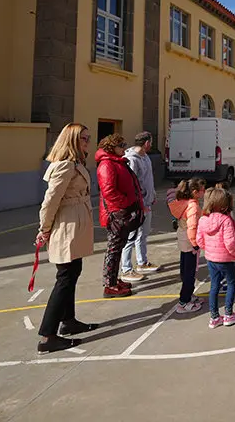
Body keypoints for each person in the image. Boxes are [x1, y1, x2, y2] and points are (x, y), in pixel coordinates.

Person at [35, 123, 98, 354]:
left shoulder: (75, 163)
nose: (87, 142)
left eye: (88, 138)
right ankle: (47, 335)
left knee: (72, 273)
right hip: (66, 226)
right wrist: (44, 229)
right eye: (83, 138)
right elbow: (50, 201)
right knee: (64, 278)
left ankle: (68, 321)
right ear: (71, 140)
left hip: (75, 224)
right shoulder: (64, 166)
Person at [95, 133, 145, 298]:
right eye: (121, 145)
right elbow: (109, 191)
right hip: (117, 214)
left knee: (118, 247)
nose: (125, 147)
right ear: (112, 147)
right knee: (114, 249)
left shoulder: (117, 162)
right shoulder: (107, 164)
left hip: (123, 212)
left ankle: (114, 280)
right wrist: (127, 204)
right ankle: (110, 285)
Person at [196, 187, 235, 328]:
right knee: (231, 283)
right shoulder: (225, 220)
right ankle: (228, 314)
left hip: (211, 258)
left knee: (214, 286)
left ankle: (214, 317)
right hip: (225, 259)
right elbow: (230, 242)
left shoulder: (203, 219)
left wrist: (208, 249)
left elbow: (199, 239)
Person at [121, 131, 158, 283]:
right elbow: (132, 186)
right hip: (137, 205)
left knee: (143, 234)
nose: (152, 144)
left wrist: (152, 194)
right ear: (147, 143)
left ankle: (142, 262)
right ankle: (126, 268)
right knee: (131, 236)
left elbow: (148, 179)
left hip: (147, 202)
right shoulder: (132, 160)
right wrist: (140, 204)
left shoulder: (146, 157)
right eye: (151, 142)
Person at [170, 177, 206, 314]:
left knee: (186, 269)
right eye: (202, 190)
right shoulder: (193, 206)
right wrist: (195, 244)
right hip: (189, 241)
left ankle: (189, 295)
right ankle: (184, 302)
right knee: (189, 273)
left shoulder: (186, 203)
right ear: (196, 192)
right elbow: (192, 226)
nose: (204, 193)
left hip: (183, 239)